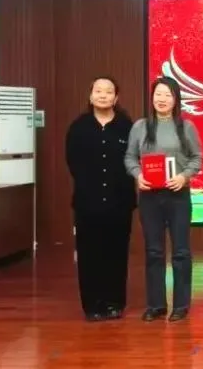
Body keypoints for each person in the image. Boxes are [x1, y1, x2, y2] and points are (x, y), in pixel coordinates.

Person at [124, 76, 203, 322]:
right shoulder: (140, 127)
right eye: (158, 94)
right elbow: (130, 157)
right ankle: (156, 304)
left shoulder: (186, 127)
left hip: (178, 196)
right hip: (149, 197)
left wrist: (184, 176)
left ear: (175, 99)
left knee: (181, 251)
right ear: (152, 97)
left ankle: (181, 305)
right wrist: (138, 175)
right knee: (154, 251)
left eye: (167, 95)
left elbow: (197, 159)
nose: (162, 99)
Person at [65, 76, 136, 322]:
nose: (103, 95)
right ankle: (92, 305)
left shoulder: (127, 126)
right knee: (89, 254)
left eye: (108, 91)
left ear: (116, 97)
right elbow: (72, 162)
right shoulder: (79, 127)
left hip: (120, 202)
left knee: (117, 253)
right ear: (91, 96)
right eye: (98, 91)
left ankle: (115, 303)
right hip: (88, 203)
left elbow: (134, 159)